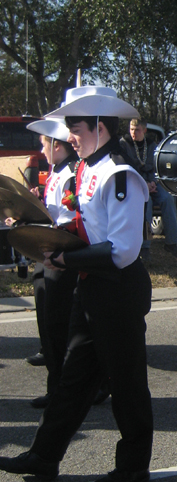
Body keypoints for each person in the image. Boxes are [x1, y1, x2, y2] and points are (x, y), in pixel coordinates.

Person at [0, 86, 154, 482]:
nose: (70, 134)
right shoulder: (89, 166)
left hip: (118, 290)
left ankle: (134, 467)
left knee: (126, 385)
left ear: (101, 126)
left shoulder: (119, 173)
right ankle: (44, 456)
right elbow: (86, 228)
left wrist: (66, 260)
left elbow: (122, 250)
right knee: (72, 379)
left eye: (76, 126)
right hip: (93, 287)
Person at [24, 119, 79, 409]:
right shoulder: (58, 170)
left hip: (61, 255)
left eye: (43, 144)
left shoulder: (72, 172)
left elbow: (71, 220)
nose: (40, 149)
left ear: (56, 145)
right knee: (49, 322)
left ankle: (62, 389)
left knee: (60, 325)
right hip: (48, 252)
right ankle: (58, 383)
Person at [120, 118, 177, 261]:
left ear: (144, 130)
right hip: (135, 182)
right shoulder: (124, 144)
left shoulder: (152, 145)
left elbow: (157, 165)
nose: (133, 133)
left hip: (152, 181)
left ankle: (172, 242)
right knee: (145, 205)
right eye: (131, 129)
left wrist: (153, 182)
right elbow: (127, 167)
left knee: (167, 199)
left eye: (137, 130)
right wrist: (144, 183)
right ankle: (144, 246)